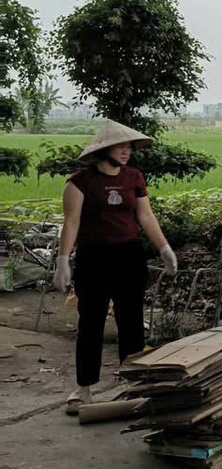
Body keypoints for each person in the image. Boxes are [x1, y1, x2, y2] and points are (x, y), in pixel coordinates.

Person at [52, 120, 178, 415]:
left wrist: (164, 247)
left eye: (129, 146)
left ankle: (131, 384)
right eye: (121, 146)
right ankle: (84, 388)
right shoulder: (79, 182)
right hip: (93, 259)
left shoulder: (134, 178)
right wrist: (62, 259)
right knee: (91, 323)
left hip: (129, 257)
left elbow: (146, 217)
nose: (127, 151)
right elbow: (71, 222)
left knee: (131, 321)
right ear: (104, 149)